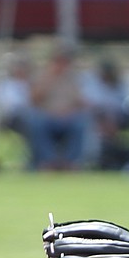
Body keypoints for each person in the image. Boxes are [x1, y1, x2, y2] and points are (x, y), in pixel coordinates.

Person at [25, 42, 92, 171]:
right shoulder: (42, 76)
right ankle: (48, 161)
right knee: (36, 121)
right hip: (47, 116)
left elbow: (81, 102)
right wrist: (49, 78)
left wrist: (69, 112)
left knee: (81, 122)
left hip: (68, 117)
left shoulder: (73, 78)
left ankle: (71, 162)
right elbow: (33, 100)